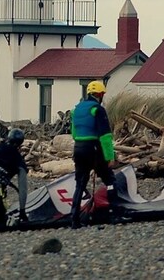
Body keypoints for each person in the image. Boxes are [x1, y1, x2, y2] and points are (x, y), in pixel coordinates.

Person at [69, 81, 125, 229]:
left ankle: (74, 220)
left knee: (80, 183)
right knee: (110, 180)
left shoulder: (76, 109)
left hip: (78, 148)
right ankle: (115, 214)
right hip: (94, 148)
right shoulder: (97, 109)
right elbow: (105, 136)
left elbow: (74, 133)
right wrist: (110, 157)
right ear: (100, 95)